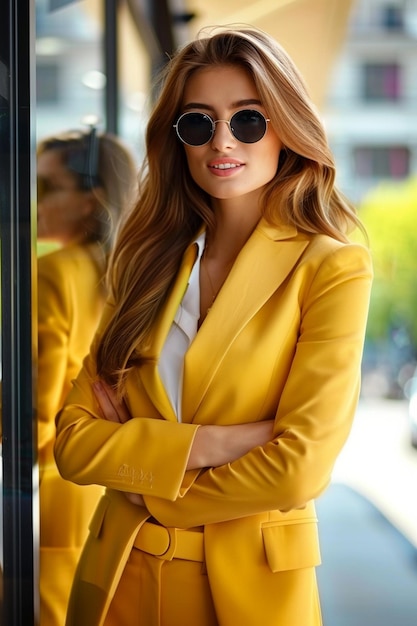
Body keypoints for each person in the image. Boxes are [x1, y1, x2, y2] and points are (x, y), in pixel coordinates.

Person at [54, 27, 373, 626]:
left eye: (248, 120)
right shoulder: (147, 261)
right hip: (116, 581)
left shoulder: (331, 268)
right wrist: (220, 442)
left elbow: (298, 466)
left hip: (245, 594)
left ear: (286, 129)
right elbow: (73, 441)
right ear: (178, 140)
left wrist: (144, 477)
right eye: (198, 123)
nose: (221, 140)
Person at [37, 127, 137, 626]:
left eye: (48, 187)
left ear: (88, 200)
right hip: (105, 485)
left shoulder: (53, 273)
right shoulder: (126, 271)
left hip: (50, 487)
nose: (33, 201)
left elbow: (36, 412)